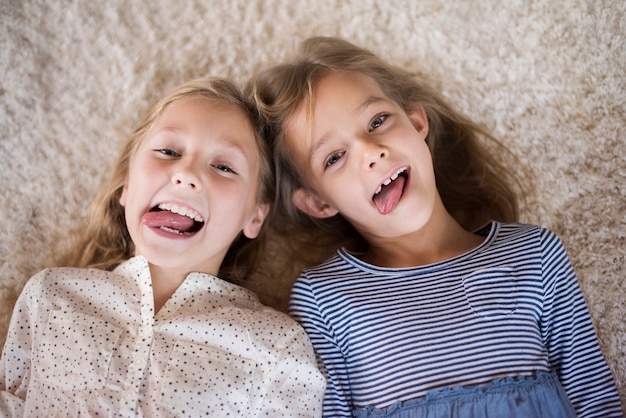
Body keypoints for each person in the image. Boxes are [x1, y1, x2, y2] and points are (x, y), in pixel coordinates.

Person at [250, 36, 623, 417]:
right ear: (318, 202)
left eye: (377, 121)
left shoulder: (534, 253)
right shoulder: (325, 299)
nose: (370, 152)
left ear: (416, 123)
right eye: (335, 157)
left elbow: (595, 399)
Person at [0, 77, 325, 417]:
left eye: (224, 167)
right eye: (168, 152)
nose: (186, 173)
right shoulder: (52, 295)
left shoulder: (277, 348)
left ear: (256, 216)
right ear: (127, 184)